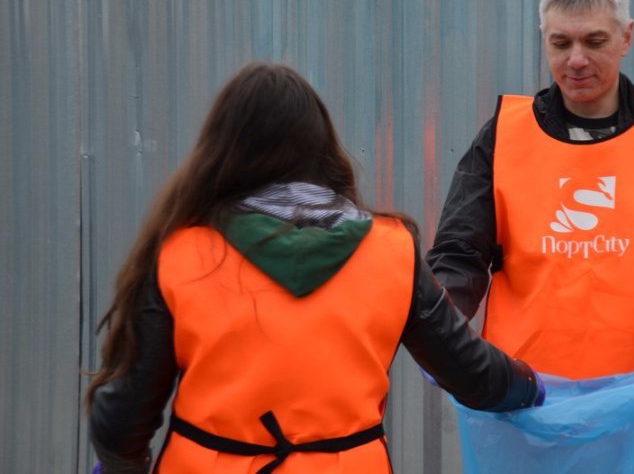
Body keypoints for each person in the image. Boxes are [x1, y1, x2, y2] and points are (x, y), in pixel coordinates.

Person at [85, 62, 544, 474]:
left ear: (221, 152)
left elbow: (123, 418)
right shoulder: (391, 251)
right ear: (320, 147)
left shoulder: (180, 253)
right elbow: (473, 375)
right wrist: (534, 387)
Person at [426, 0, 634, 472]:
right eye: (561, 43)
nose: (575, 60)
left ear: (626, 37)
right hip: (527, 407)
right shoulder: (504, 136)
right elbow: (459, 252)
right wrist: (442, 329)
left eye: (595, 41)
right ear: (544, 39)